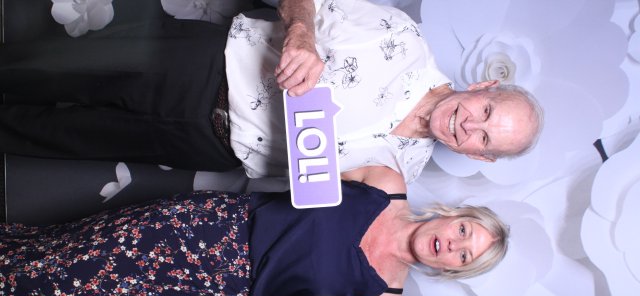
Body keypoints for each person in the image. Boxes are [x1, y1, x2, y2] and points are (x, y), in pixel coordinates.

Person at [0, 0, 543, 182]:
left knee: (58, 136)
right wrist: (302, 32)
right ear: (484, 85)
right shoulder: (402, 37)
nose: (470, 124)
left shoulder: (402, 174)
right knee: (39, 68)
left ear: (482, 158)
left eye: (485, 138)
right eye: (486, 110)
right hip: (201, 66)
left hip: (207, 146)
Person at [0, 167, 509, 296]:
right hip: (208, 224)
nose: (454, 244)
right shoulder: (384, 180)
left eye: (465, 256)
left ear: (452, 270)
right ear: (453, 214)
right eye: (465, 230)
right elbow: (299, 148)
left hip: (213, 290)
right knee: (66, 253)